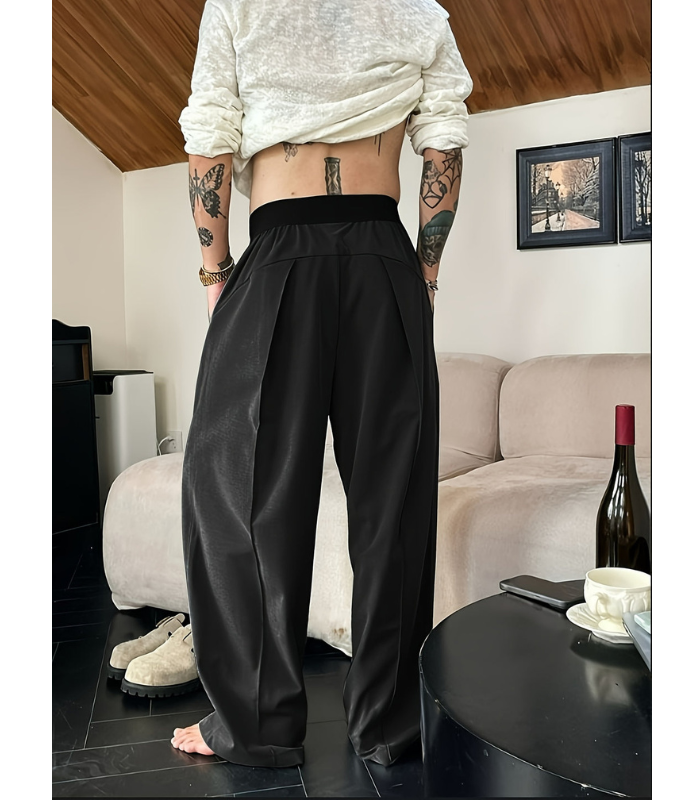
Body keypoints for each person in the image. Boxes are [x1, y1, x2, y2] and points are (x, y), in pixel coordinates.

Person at [171, 0, 472, 768]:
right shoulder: (420, 11)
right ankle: (388, 725)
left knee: (241, 495)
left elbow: (210, 140)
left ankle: (258, 725)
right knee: (392, 500)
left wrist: (216, 275)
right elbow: (442, 144)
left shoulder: (238, 6)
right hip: (383, 256)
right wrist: (423, 275)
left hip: (278, 257)